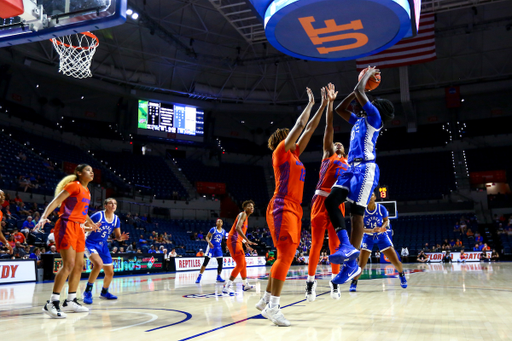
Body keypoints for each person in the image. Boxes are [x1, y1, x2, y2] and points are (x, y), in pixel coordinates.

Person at [257, 87, 325, 327]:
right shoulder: (280, 153)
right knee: (285, 255)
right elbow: (299, 126)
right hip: (281, 205)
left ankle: (266, 298)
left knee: (285, 255)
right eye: (289, 136)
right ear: (283, 139)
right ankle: (273, 307)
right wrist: (310, 104)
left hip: (295, 208)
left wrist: (324, 105)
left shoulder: (294, 154)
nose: (294, 138)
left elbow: (309, 129)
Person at [324, 67, 395, 285]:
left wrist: (364, 80)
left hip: (366, 169)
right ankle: (346, 246)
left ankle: (351, 265)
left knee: (356, 215)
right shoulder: (357, 121)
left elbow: (358, 90)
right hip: (350, 169)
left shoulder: (374, 118)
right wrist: (357, 91)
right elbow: (340, 108)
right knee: (331, 201)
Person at [34, 164, 99, 319]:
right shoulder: (73, 185)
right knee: (68, 264)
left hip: (79, 228)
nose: (91, 172)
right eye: (88, 170)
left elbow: (83, 212)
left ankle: (70, 300)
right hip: (66, 225)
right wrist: (44, 216)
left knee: (79, 265)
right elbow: (55, 202)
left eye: (92, 170)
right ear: (78, 173)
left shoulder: (87, 191)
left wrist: (90, 223)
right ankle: (52, 302)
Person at [305, 83, 348, 302]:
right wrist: (330, 104)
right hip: (320, 200)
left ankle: (334, 282)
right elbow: (329, 127)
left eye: (341, 144)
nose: (337, 144)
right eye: (336, 143)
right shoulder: (327, 154)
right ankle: (310, 283)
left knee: (335, 245)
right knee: (316, 244)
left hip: (337, 204)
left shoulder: (347, 163)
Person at [350, 192, 407, 292]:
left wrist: (381, 228)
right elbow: (360, 228)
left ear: (375, 197)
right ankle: (354, 282)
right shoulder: (362, 211)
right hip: (368, 237)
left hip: (381, 237)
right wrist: (371, 231)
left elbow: (386, 220)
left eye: (371, 195)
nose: (369, 196)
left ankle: (402, 275)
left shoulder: (381, 208)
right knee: (361, 264)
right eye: (367, 195)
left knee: (395, 260)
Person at [83, 198, 129, 305]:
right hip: (90, 243)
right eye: (111, 203)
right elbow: (83, 227)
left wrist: (121, 238)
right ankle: (87, 292)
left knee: (110, 272)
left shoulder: (116, 219)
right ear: (105, 205)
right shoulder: (98, 216)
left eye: (115, 203)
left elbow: (117, 237)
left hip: (103, 245)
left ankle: (104, 292)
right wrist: (91, 228)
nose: (113, 205)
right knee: (98, 264)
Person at [223, 200, 257, 294]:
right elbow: (237, 228)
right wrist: (247, 239)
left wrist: (246, 243)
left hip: (236, 240)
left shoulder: (246, 219)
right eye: (249, 206)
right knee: (240, 264)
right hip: (233, 240)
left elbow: (240, 235)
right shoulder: (243, 214)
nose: (251, 208)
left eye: (252, 206)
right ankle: (227, 286)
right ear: (245, 208)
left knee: (243, 263)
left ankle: (245, 284)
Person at [196, 218, 227, 283]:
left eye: (220, 221)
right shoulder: (213, 229)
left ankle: (218, 276)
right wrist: (209, 243)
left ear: (222, 224)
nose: (219, 222)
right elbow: (207, 237)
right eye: (218, 221)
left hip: (218, 248)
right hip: (211, 247)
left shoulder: (223, 231)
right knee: (206, 262)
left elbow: (223, 239)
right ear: (216, 223)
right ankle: (199, 276)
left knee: (220, 263)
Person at [0, 191, 13, 256]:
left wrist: (7, 244)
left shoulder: (0, 213)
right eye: (1, 195)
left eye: (3, 195)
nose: (3, 197)